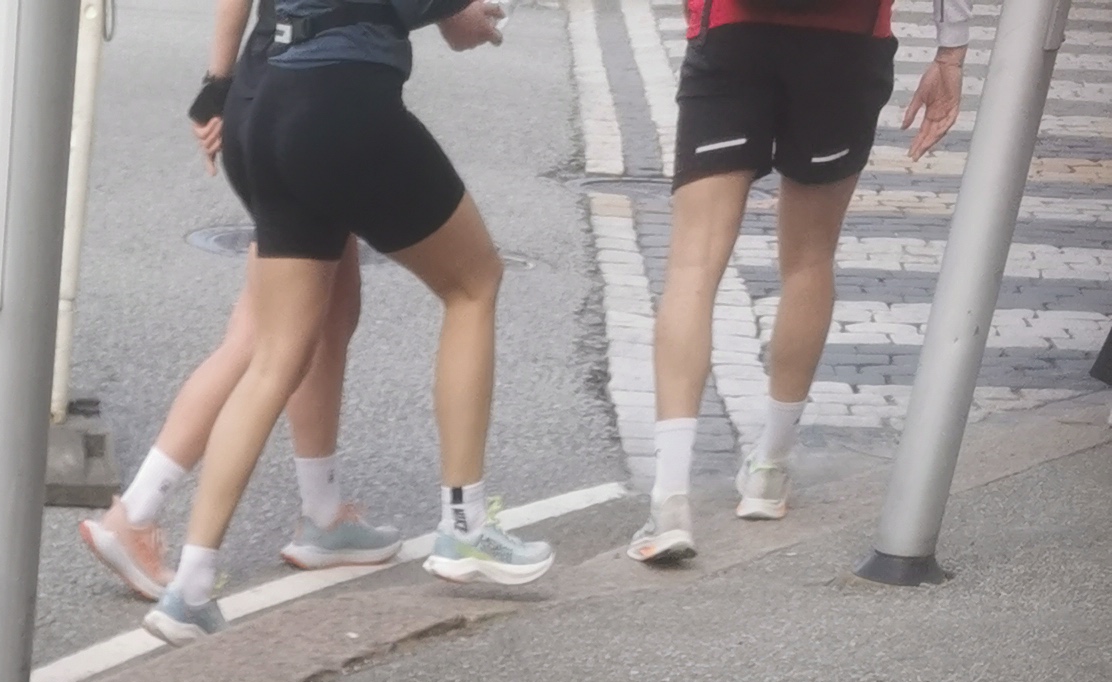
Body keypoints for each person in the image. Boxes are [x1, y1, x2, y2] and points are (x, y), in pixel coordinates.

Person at [150, 0, 554, 641]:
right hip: (344, 99)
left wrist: (216, 83)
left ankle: (189, 589)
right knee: (473, 284)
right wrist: (470, 17)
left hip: (268, 100)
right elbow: (449, 22)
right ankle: (465, 526)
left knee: (274, 360)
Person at [630, 0, 966, 559]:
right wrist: (950, 52)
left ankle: (670, 500)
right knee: (810, 259)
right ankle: (770, 469)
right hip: (848, 43)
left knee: (692, 265)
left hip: (733, 31)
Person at [83, 75, 403, 610]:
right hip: (307, 98)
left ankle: (323, 512)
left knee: (332, 314)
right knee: (261, 335)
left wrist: (219, 89)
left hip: (281, 95)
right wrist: (219, 86)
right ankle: (136, 513)